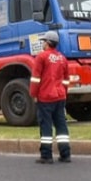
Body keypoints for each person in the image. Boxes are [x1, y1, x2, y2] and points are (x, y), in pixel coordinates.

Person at [29, 31, 71, 164]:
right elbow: (66, 80)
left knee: (45, 125)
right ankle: (65, 154)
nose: (42, 44)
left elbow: (36, 79)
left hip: (46, 97)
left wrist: (34, 94)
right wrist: (63, 92)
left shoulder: (41, 57)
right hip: (60, 97)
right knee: (61, 125)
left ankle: (46, 155)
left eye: (43, 41)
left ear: (47, 43)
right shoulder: (62, 58)